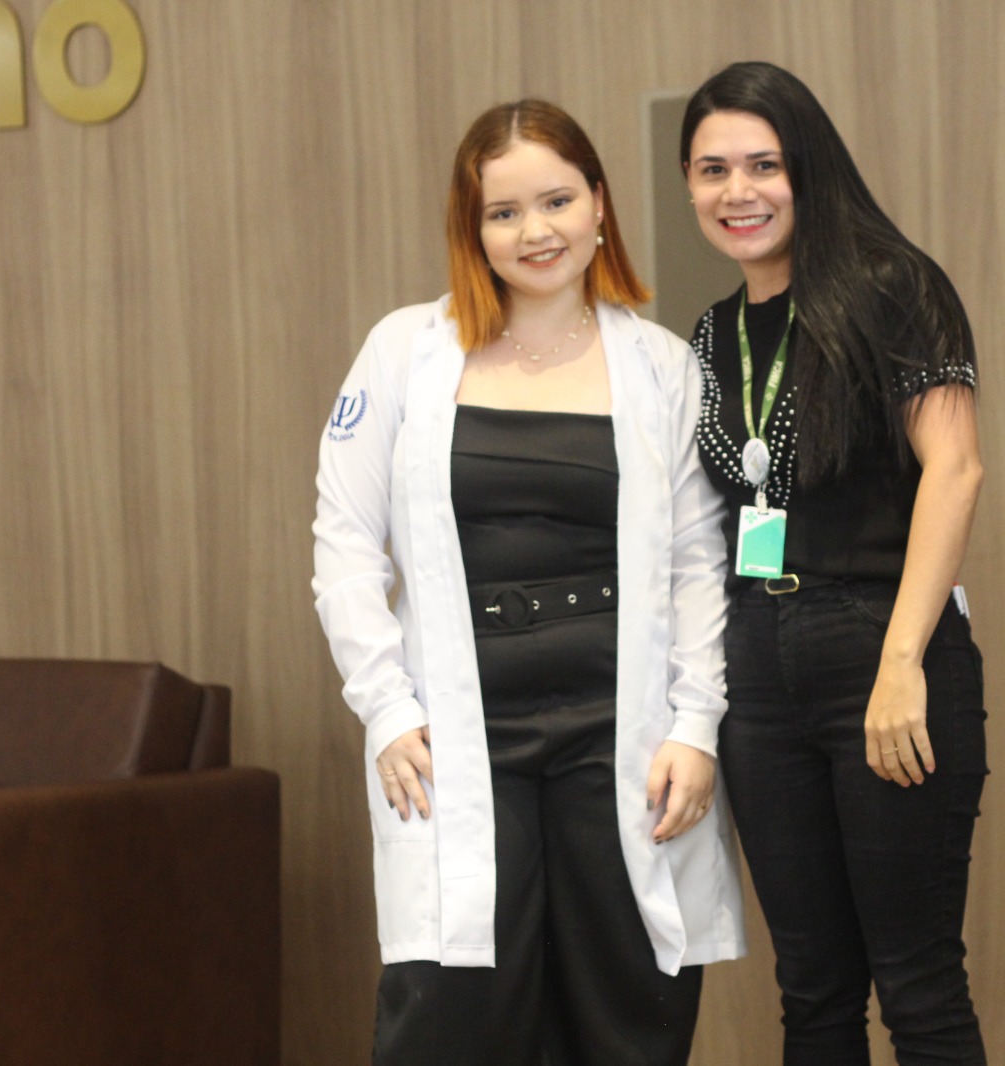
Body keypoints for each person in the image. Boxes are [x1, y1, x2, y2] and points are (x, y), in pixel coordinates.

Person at [313, 98, 745, 1066]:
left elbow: (696, 560)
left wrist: (693, 724)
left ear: (599, 203)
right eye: (503, 212)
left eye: (556, 201)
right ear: (471, 229)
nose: (534, 231)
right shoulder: (404, 352)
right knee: (452, 1017)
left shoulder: (662, 367)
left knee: (627, 1014)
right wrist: (385, 707)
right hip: (459, 736)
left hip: (620, 734)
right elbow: (343, 542)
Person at [680, 62, 988, 1065]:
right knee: (811, 992)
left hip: (879, 644)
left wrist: (902, 663)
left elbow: (955, 469)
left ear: (807, 168)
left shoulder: (892, 287)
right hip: (757, 669)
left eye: (763, 165)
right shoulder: (710, 334)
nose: (738, 192)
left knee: (918, 983)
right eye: (713, 170)